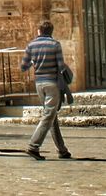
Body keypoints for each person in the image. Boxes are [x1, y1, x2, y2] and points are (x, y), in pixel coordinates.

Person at [20, 20, 72, 160]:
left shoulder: (31, 45)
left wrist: (34, 62)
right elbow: (61, 66)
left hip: (39, 84)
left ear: (39, 31)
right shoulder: (55, 45)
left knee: (51, 116)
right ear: (51, 31)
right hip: (52, 83)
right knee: (49, 115)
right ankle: (33, 145)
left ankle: (62, 150)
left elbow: (23, 66)